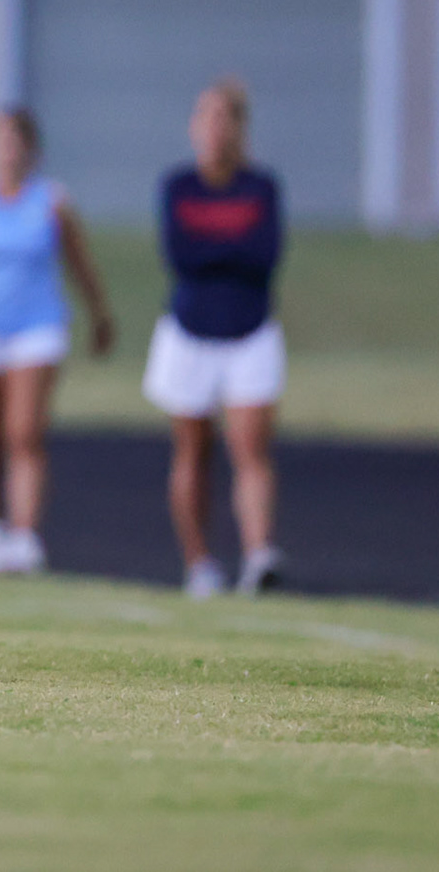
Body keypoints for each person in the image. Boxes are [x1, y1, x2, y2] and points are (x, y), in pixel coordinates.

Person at [0, 109, 113, 575]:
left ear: (31, 149)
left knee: (24, 432)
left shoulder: (51, 202)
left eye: (15, 141)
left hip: (37, 326)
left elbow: (80, 264)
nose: (7, 151)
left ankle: (25, 536)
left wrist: (99, 314)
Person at [143, 79, 285, 598]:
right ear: (194, 127)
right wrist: (229, 251)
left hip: (249, 330)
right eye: (207, 116)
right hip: (189, 331)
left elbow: (264, 256)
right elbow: (181, 256)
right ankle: (200, 562)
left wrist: (218, 252)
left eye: (226, 117)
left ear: (240, 127)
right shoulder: (180, 186)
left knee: (250, 448)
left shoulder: (260, 187)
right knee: (193, 449)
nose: (216, 127)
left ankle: (258, 554)